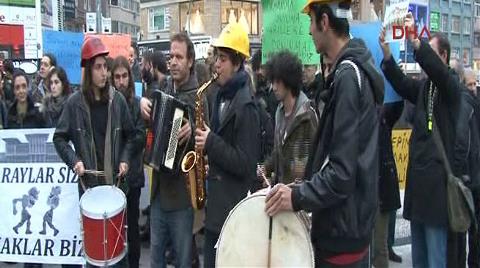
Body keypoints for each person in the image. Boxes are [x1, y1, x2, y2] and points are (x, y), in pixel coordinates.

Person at [265, 1, 384, 267]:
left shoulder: (348, 78)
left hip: (341, 233)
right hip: (348, 227)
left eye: (311, 21)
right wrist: (300, 186)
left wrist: (295, 196)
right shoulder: (350, 72)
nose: (308, 31)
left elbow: (341, 174)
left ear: (325, 22)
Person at [379, 14, 463, 267]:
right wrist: (387, 56)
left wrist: (416, 43)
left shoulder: (450, 87)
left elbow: (437, 71)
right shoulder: (426, 88)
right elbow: (403, 84)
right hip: (419, 190)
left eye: (430, 51)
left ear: (444, 57)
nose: (425, 57)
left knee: (436, 258)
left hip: (437, 192)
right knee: (419, 258)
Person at [53, 37, 135, 267]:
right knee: (95, 258)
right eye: (98, 67)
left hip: (115, 188)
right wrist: (74, 161)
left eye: (104, 67)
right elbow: (59, 138)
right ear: (88, 70)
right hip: (89, 191)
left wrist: (125, 160)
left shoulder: (117, 101)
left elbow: (132, 135)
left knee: (119, 258)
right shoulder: (74, 104)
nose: (104, 73)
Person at [194, 22, 261, 267]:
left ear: (237, 63)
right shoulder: (220, 96)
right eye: (217, 58)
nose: (216, 65)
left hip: (232, 213)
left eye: (222, 59)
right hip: (218, 209)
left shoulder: (247, 106)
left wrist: (211, 142)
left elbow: (246, 163)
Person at [139, 32, 206, 268]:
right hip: (158, 192)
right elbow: (147, 126)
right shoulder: (162, 88)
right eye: (171, 56)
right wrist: (142, 104)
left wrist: (194, 128)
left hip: (182, 195)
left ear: (190, 61)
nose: (173, 61)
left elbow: (209, 136)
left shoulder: (199, 95)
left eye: (179, 56)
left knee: (182, 260)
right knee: (155, 258)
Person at [262, 50, 318, 185]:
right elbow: (278, 151)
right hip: (282, 193)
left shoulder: (307, 115)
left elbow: (316, 158)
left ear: (288, 80)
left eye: (277, 82)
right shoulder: (279, 112)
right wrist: (266, 168)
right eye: (272, 81)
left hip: (301, 196)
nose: (273, 87)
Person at [111, 56, 146, 268]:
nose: (121, 81)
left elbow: (140, 136)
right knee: (114, 229)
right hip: (113, 176)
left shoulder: (135, 103)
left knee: (131, 228)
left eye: (124, 76)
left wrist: (125, 146)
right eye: (117, 77)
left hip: (132, 177)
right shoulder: (109, 103)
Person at [373, 102, 403, 267]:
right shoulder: (357, 115)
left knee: (379, 246)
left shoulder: (383, 116)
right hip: (365, 189)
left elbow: (398, 106)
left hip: (381, 188)